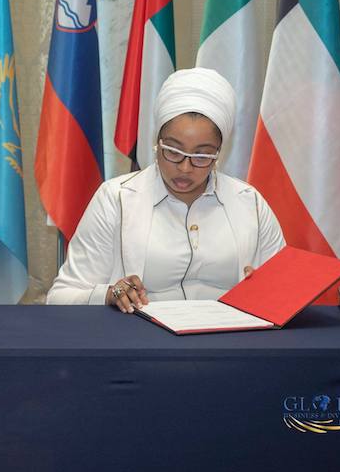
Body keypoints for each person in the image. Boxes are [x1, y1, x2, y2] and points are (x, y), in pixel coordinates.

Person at [47, 67, 285, 312]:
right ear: (157, 143)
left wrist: (266, 291)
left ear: (218, 154)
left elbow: (287, 294)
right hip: (142, 335)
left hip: (231, 334)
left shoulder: (249, 203)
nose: (184, 167)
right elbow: (60, 297)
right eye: (173, 151)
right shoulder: (116, 199)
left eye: (201, 156)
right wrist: (110, 294)